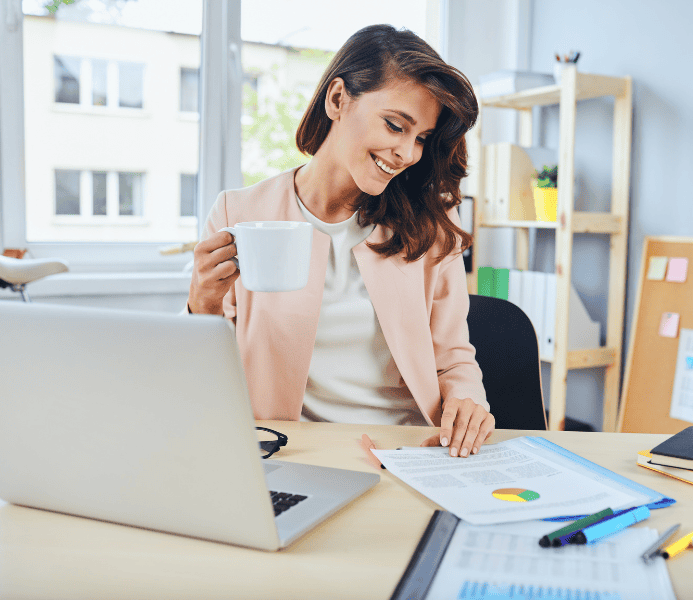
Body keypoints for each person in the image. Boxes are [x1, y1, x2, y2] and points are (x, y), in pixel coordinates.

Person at [187, 24, 494, 458]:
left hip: (411, 452)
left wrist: (468, 400)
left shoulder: (432, 221)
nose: (407, 154)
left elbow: (453, 356)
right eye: (395, 126)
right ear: (337, 99)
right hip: (291, 454)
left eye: (421, 139)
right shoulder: (239, 215)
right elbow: (205, 376)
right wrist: (202, 303)